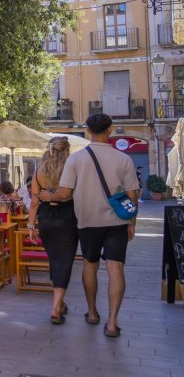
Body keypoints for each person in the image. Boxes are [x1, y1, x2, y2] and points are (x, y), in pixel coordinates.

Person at [38, 113, 138, 337]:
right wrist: (132, 223)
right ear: (110, 129)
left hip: (87, 222)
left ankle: (92, 313)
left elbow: (65, 194)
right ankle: (112, 323)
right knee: (116, 268)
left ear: (88, 131)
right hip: (117, 222)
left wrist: (47, 196)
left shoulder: (76, 159)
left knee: (90, 265)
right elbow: (133, 196)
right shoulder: (124, 159)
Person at [29, 136, 77, 325]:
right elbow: (73, 194)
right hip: (67, 217)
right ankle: (56, 307)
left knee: (55, 260)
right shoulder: (71, 169)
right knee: (64, 261)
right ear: (66, 151)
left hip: (46, 218)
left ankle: (60, 302)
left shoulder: (39, 171)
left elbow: (34, 202)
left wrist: (31, 226)